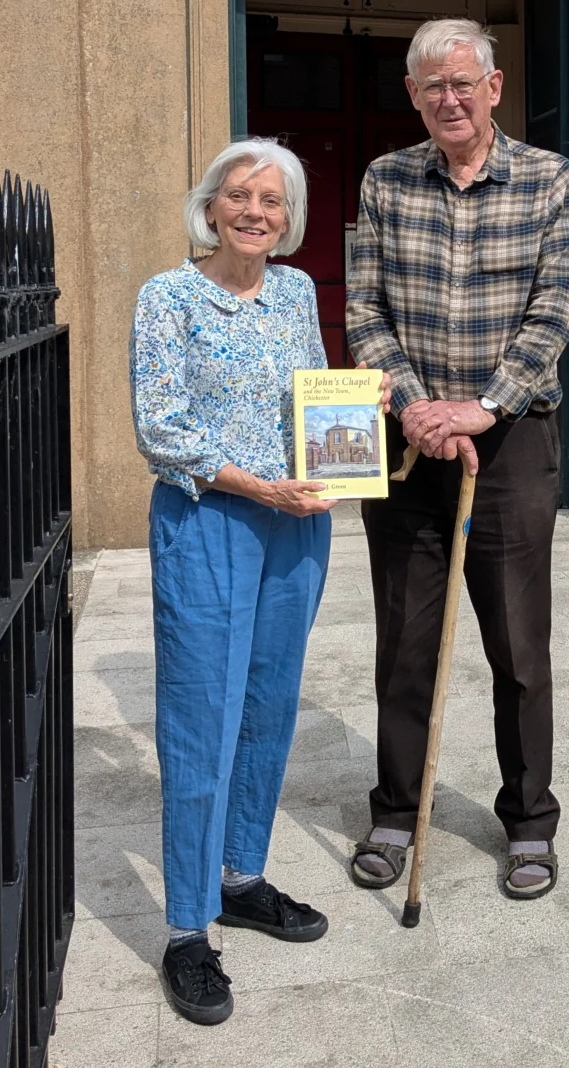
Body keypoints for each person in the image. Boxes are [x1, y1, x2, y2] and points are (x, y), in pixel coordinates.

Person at [129, 138, 388, 1026]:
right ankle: (186, 928)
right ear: (210, 206)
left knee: (270, 706)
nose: (254, 212)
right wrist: (259, 486)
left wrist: (357, 412)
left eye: (271, 201)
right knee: (201, 717)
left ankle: (241, 877)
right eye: (239, 195)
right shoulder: (168, 297)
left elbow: (306, 399)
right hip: (211, 519)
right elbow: (162, 430)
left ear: (290, 218)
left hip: (294, 525)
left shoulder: (295, 291)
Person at [345, 17, 569, 901]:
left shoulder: (549, 178)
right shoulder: (385, 180)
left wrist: (482, 408)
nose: (450, 99)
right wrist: (418, 408)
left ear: (494, 87)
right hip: (410, 445)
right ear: (413, 95)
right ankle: (397, 809)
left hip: (509, 441)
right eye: (432, 86)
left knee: (518, 648)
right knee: (405, 641)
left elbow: (557, 307)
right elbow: (364, 309)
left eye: (463, 83)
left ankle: (529, 821)